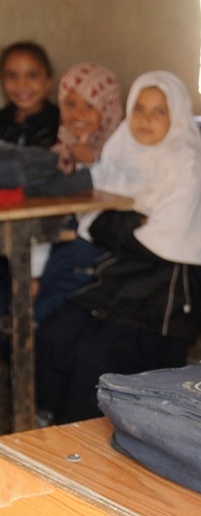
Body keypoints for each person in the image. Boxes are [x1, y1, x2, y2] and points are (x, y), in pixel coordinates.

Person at [35, 71, 201, 424]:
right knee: (54, 331)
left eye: (159, 112)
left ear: (177, 117)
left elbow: (159, 241)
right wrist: (124, 223)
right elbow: (94, 214)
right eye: (140, 109)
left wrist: (112, 222)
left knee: (94, 355)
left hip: (164, 293)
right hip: (121, 276)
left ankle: (83, 443)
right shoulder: (124, 149)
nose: (146, 120)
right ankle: (51, 422)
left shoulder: (185, 163)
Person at [33, 62, 125, 324]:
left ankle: (38, 331)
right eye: (70, 105)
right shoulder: (62, 147)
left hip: (96, 237)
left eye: (89, 106)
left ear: (107, 109)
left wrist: (89, 162)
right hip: (62, 234)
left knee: (59, 278)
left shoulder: (119, 150)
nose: (77, 114)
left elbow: (108, 190)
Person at [0, 40, 59, 147]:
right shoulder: (3, 120)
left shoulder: (60, 125)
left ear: (48, 82)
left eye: (32, 76)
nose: (22, 85)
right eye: (12, 76)